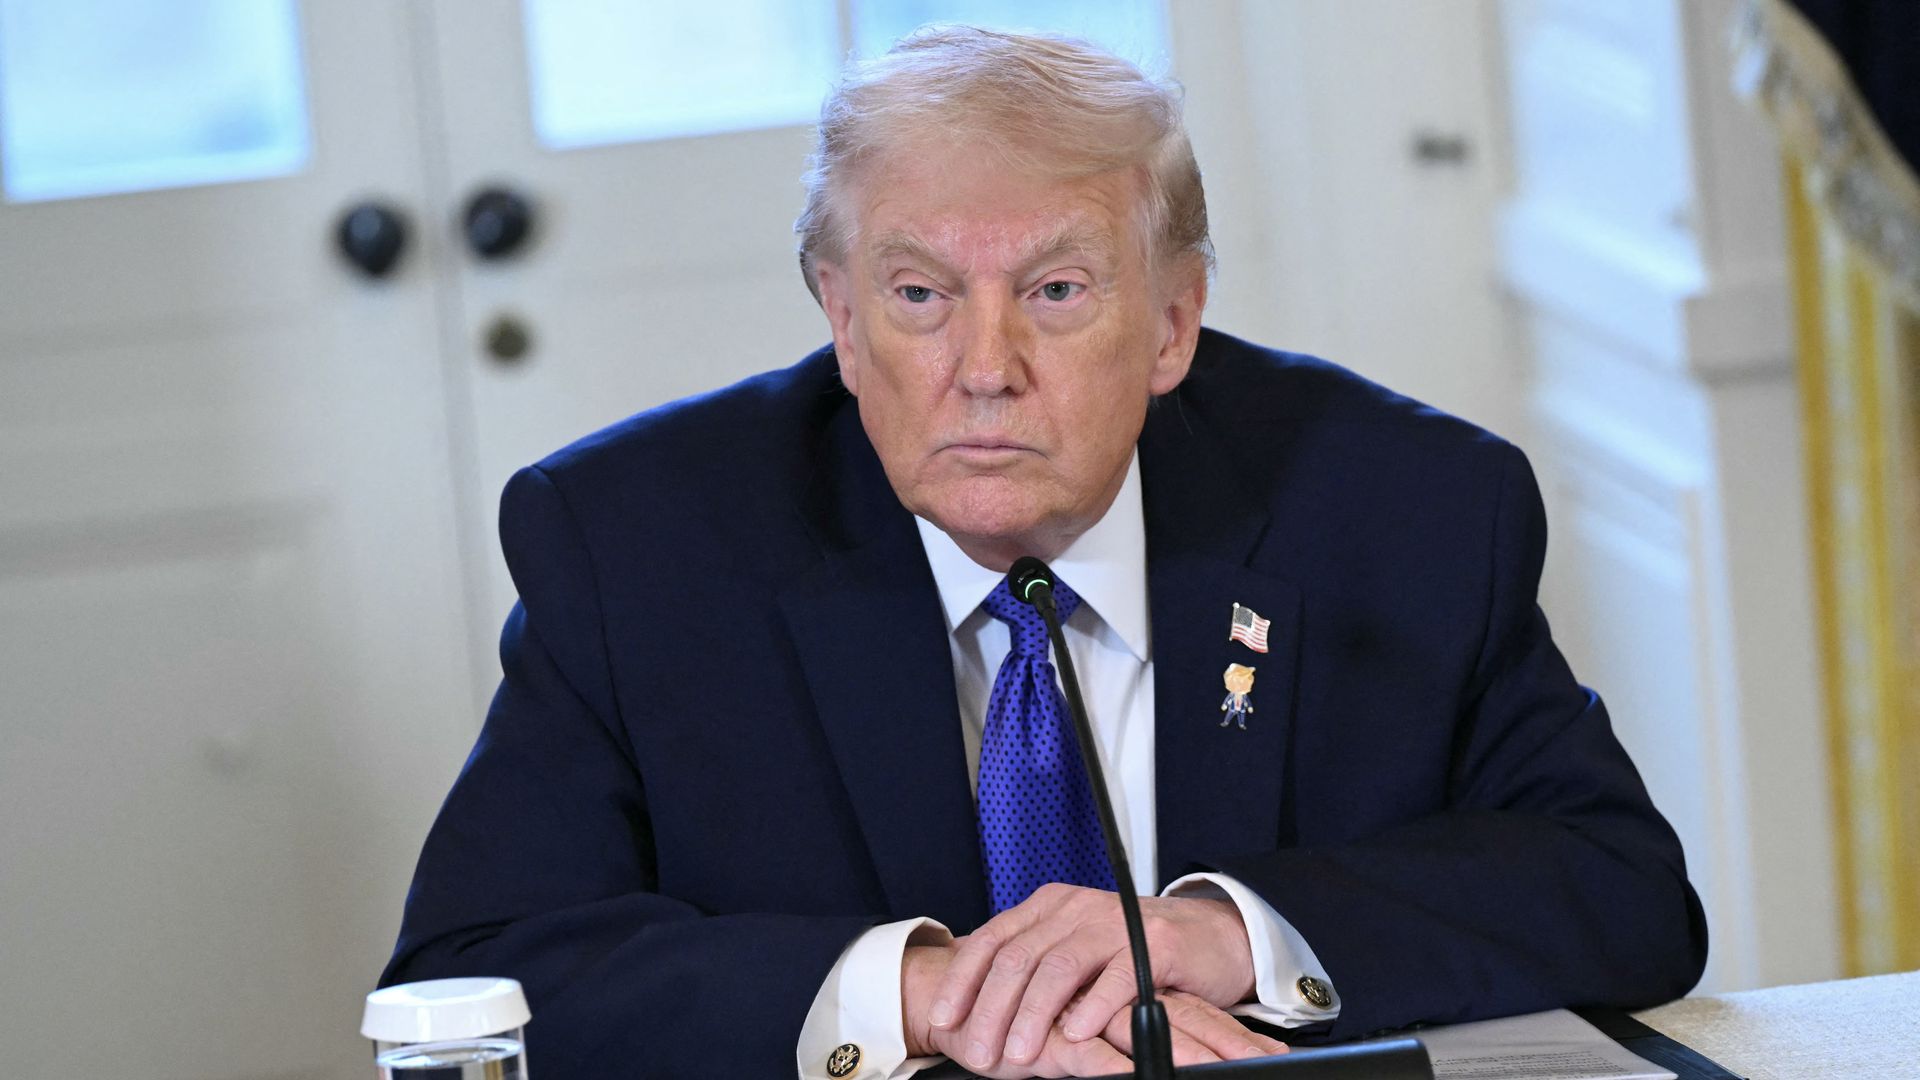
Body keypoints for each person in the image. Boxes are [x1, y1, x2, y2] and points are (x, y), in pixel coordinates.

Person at [381, 27, 1707, 1080]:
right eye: (918, 298)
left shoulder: (1404, 509)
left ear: (1176, 322)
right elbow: (467, 980)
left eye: (1057, 293)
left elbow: (1622, 889)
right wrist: (928, 992)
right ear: (842, 321)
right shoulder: (641, 548)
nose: (984, 370)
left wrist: (1211, 937)